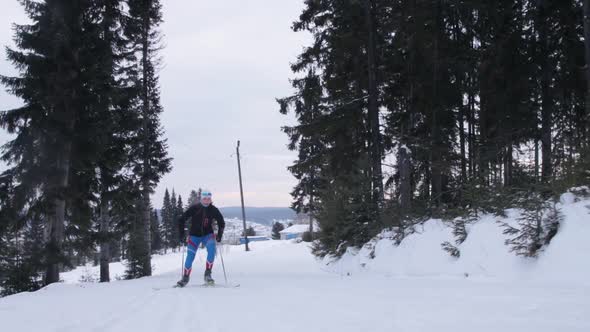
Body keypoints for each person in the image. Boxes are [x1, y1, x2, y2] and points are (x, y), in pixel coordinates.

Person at [176, 189, 225, 287]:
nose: (207, 200)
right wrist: (182, 235)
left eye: (208, 199)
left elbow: (221, 222)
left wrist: (219, 235)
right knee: (190, 256)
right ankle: (185, 278)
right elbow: (181, 220)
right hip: (194, 236)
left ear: (210, 199)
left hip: (208, 235)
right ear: (201, 199)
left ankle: (208, 274)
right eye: (205, 198)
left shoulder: (213, 209)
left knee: (212, 251)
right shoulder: (195, 208)